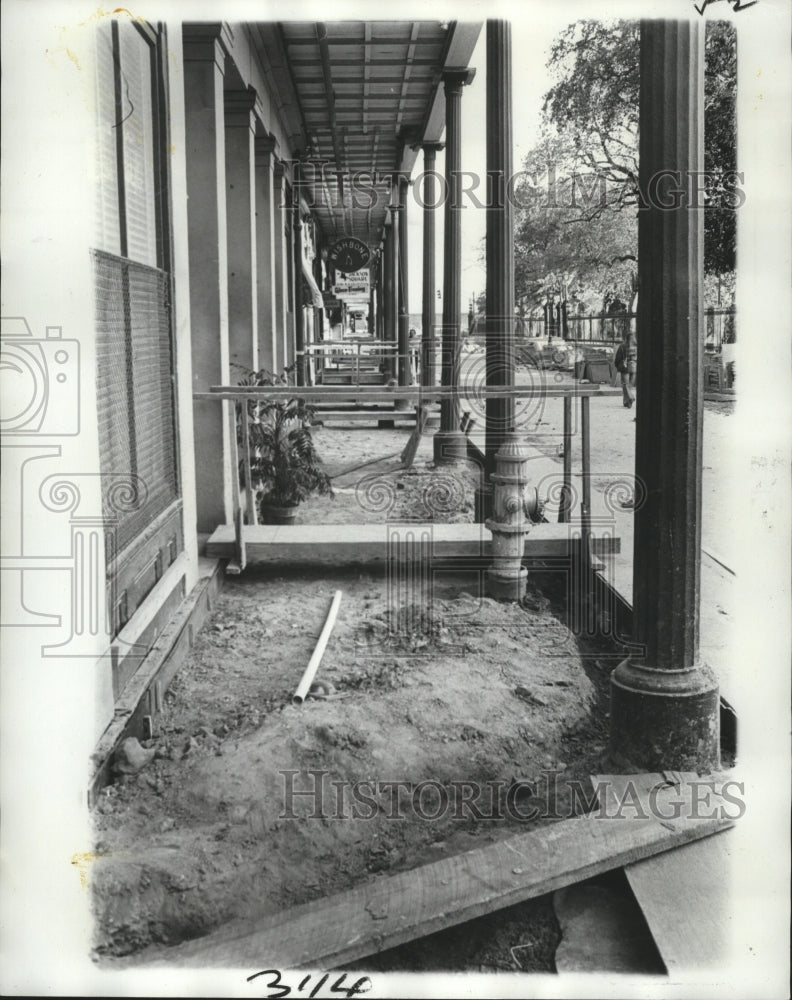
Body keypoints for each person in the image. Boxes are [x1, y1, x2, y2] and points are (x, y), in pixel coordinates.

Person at [614, 330, 637, 409]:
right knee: (628, 386)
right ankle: (627, 401)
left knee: (626, 386)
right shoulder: (634, 346)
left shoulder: (623, 346)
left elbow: (618, 358)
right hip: (632, 368)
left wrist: (617, 365)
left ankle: (629, 399)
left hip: (626, 368)